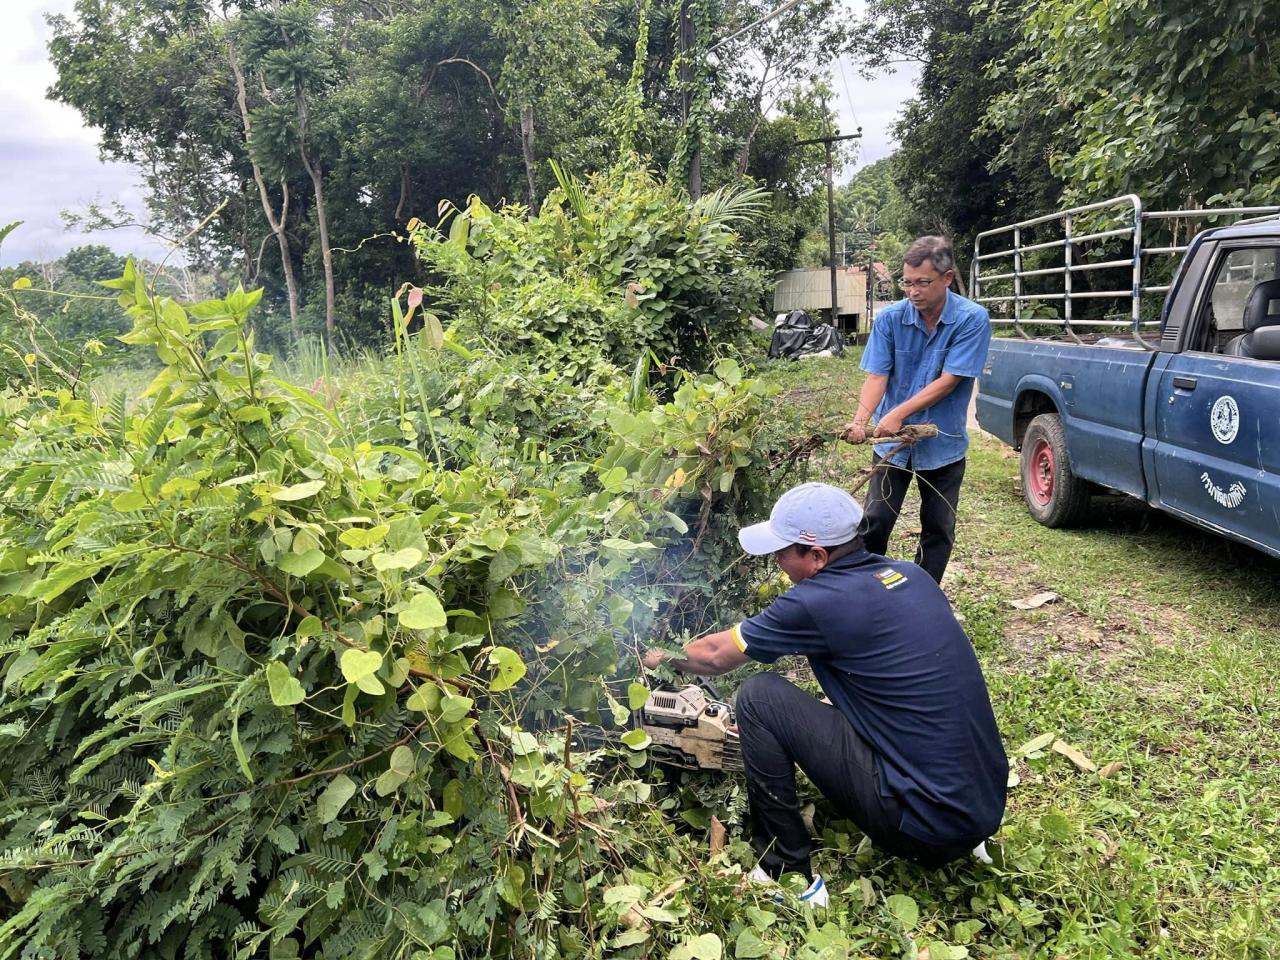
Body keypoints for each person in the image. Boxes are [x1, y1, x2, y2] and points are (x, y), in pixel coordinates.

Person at [642, 482, 1007, 907]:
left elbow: (715, 656)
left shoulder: (816, 602)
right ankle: (964, 833)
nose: (777, 561)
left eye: (783, 552)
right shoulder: (910, 576)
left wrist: (653, 656)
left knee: (760, 697)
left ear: (816, 557)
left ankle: (786, 870)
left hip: (925, 829)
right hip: (981, 808)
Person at [844, 236, 992, 583]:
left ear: (947, 278)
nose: (913, 291)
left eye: (922, 282)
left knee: (938, 527)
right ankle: (864, 591)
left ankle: (924, 597)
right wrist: (860, 420)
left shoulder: (972, 320)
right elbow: (878, 376)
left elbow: (949, 381)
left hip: (943, 445)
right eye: (907, 283)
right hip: (890, 447)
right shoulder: (891, 320)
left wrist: (896, 414)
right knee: (875, 522)